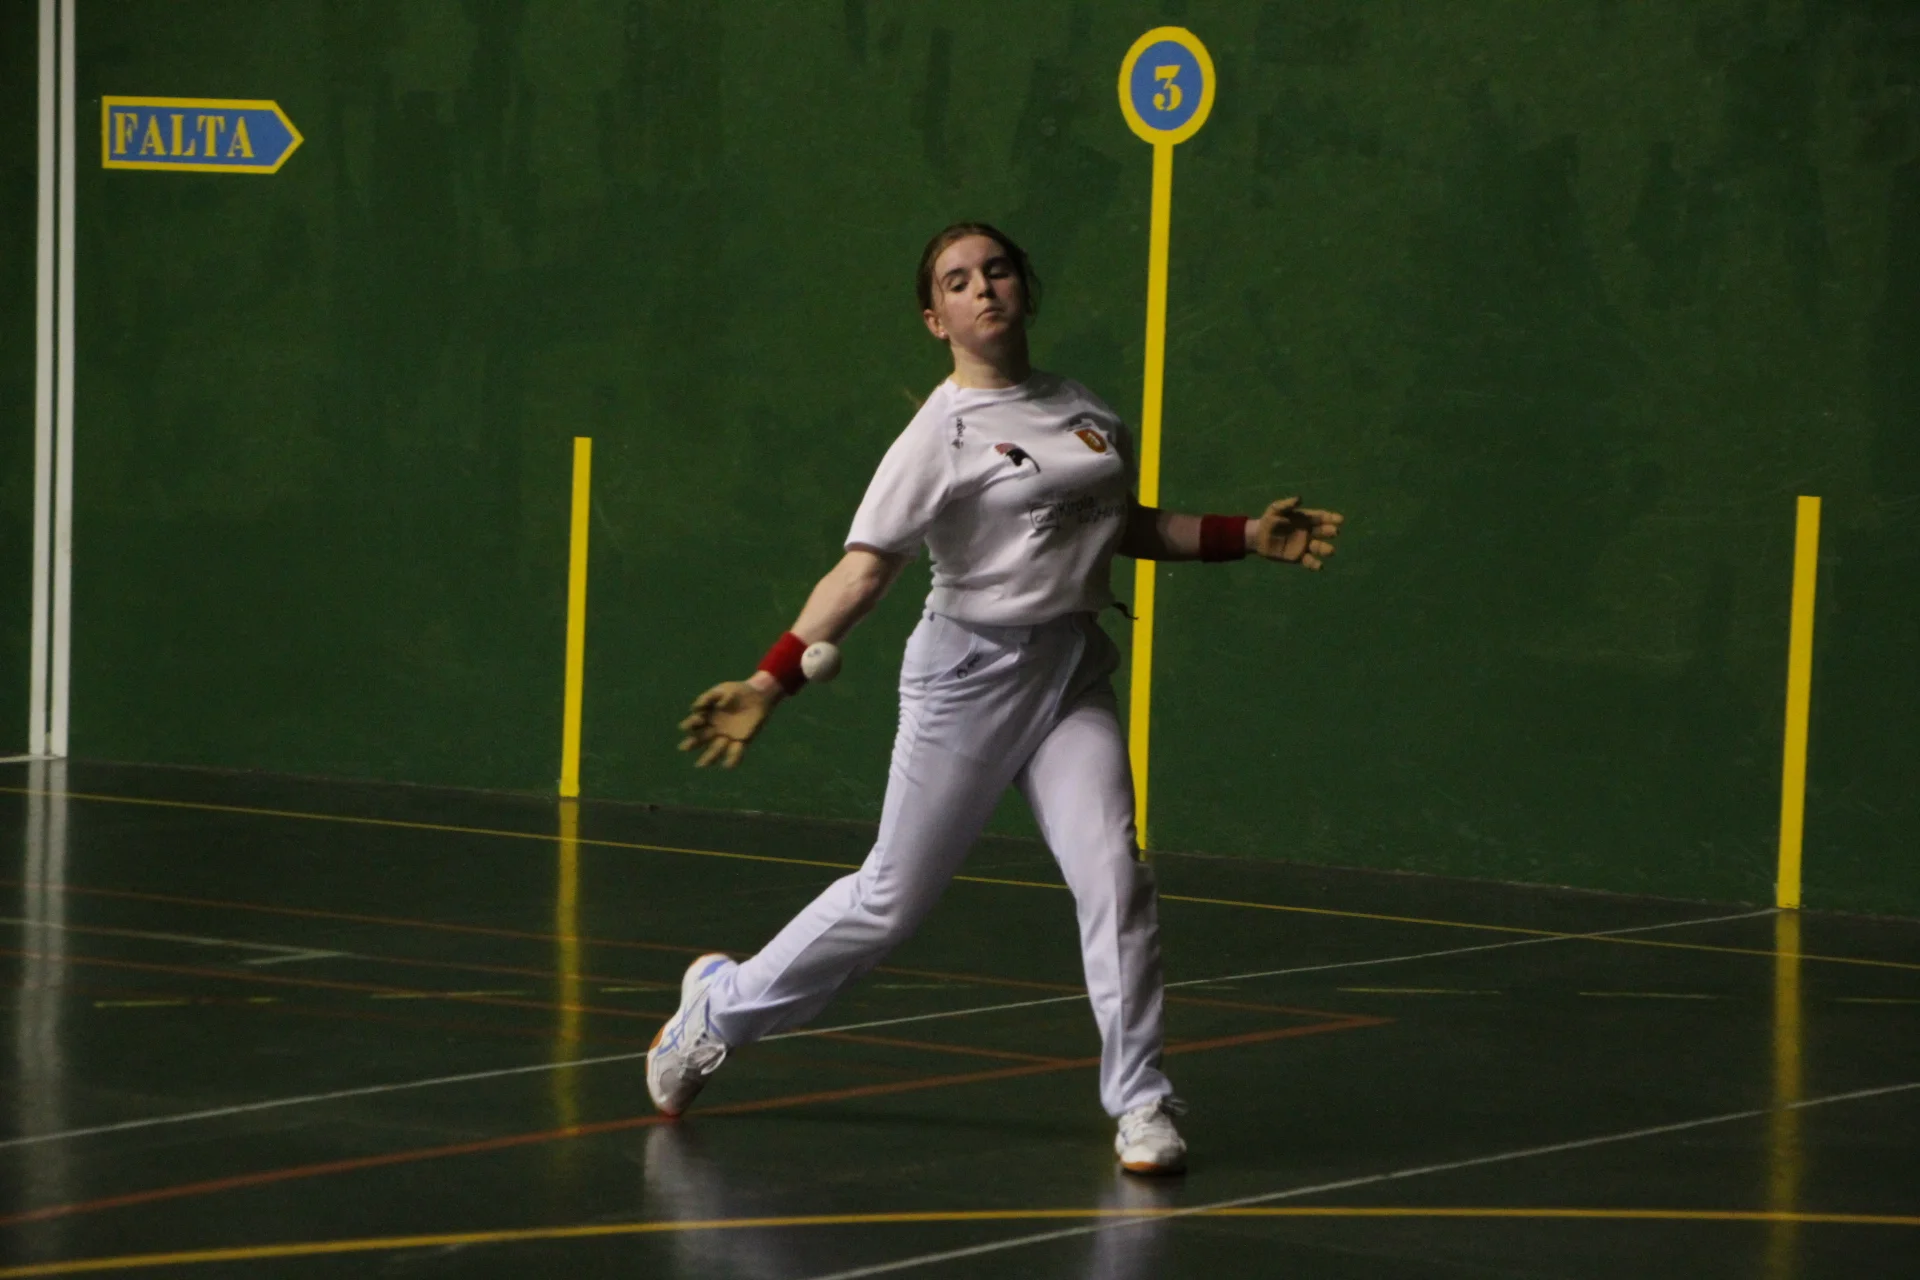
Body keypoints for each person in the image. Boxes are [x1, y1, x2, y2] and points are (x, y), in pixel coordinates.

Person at [649, 222, 1342, 1174]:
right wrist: (771, 679)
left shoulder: (1085, 410)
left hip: (1068, 671)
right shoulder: (939, 435)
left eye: (998, 270)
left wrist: (1245, 537)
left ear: (1024, 288)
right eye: (958, 281)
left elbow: (1119, 527)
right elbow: (862, 573)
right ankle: (715, 1012)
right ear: (936, 319)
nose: (983, 289)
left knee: (1115, 876)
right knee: (890, 902)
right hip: (966, 678)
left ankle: (1142, 1102)